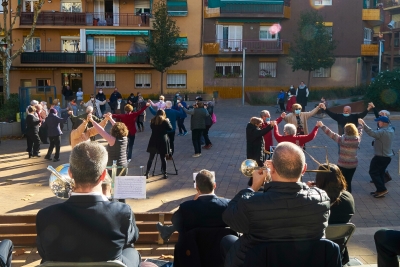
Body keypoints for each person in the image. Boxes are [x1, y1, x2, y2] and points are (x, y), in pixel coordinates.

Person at [221, 142, 330, 267]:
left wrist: (253, 187)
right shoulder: (322, 198)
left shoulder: (251, 203)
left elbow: (229, 217)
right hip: (305, 261)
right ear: (304, 169)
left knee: (227, 240)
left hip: (258, 261)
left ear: (271, 168)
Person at [36, 142, 141, 267]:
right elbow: (132, 237)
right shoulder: (122, 212)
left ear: (70, 173)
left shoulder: (45, 215)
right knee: (131, 251)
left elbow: (43, 252)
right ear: (103, 175)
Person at [156, 170, 229, 242]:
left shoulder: (186, 207)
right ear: (214, 185)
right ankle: (166, 231)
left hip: (194, 250)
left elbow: (175, 221)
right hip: (221, 250)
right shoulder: (228, 205)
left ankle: (166, 231)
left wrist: (194, 202)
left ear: (197, 188)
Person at [308, 163, 355, 265]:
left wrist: (308, 190)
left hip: (316, 251)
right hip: (338, 248)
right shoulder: (348, 198)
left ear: (319, 179)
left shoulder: (315, 199)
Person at [317, 121, 361, 192]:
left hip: (342, 164)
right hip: (353, 164)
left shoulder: (342, 139)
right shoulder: (357, 139)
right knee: (349, 181)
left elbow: (330, 133)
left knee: (341, 181)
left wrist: (322, 126)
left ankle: (342, 194)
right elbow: (360, 133)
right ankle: (349, 195)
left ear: (345, 131)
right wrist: (361, 125)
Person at [358, 117, 395, 198]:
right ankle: (380, 190)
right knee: (380, 173)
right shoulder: (391, 129)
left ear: (384, 123)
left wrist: (363, 124)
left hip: (380, 156)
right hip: (387, 156)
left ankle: (382, 189)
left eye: (379, 121)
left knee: (373, 172)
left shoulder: (382, 132)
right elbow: (390, 125)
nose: (378, 122)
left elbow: (372, 133)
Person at [144, 110, 172, 179]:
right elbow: (170, 128)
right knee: (163, 158)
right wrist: (168, 121)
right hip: (162, 140)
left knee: (151, 158)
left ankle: (147, 172)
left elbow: (152, 128)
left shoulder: (153, 121)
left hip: (154, 140)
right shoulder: (165, 121)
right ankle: (165, 173)